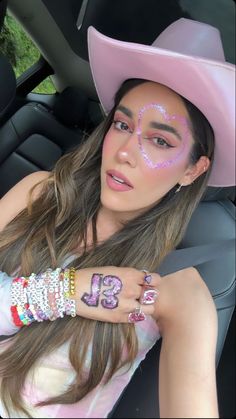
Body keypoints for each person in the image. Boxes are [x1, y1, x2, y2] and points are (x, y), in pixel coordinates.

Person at [0, 18, 235, 418]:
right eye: (123, 124)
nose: (125, 151)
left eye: (160, 140)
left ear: (193, 170)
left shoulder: (177, 292)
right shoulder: (39, 192)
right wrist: (66, 291)